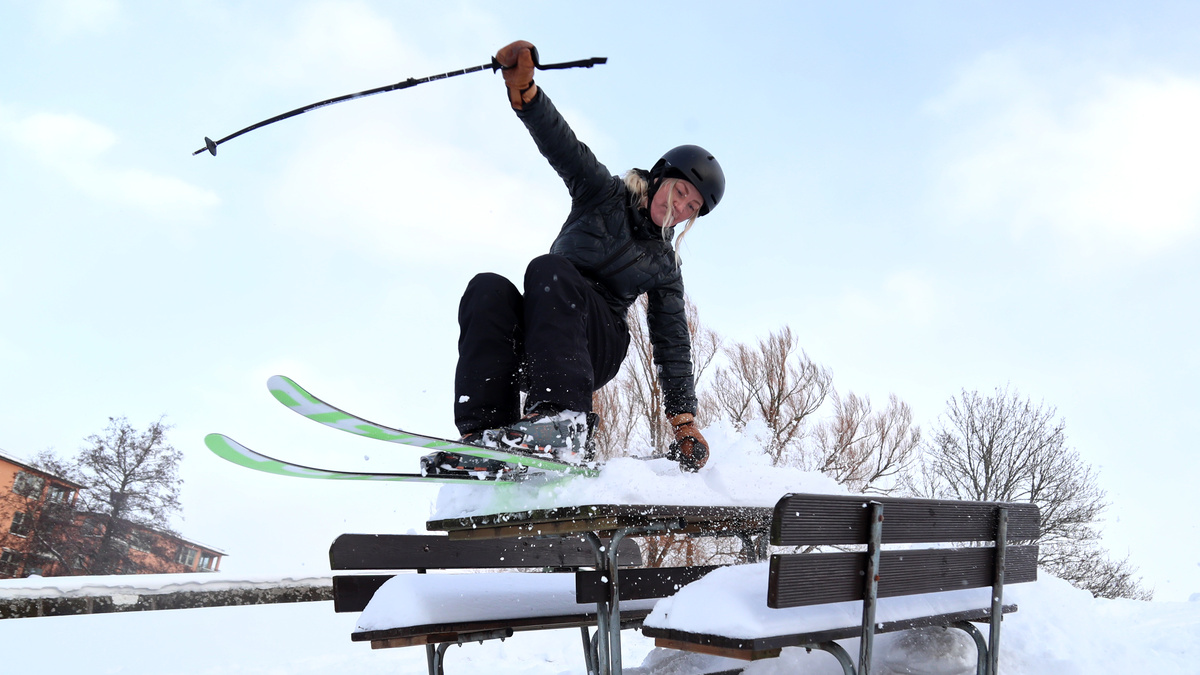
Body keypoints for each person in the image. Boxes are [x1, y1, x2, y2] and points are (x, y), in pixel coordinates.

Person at [429, 40, 725, 476]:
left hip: (594, 344)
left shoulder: (665, 265)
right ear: (662, 177)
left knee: (548, 271)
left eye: (692, 208)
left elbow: (672, 341)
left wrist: (684, 421)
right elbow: (562, 144)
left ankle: (563, 423)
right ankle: (486, 432)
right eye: (680, 193)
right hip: (542, 337)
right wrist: (526, 92)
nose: (680, 209)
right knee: (487, 287)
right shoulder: (601, 193)